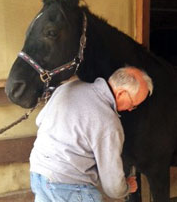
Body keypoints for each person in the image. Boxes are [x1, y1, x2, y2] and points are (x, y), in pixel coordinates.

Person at [30, 66, 153, 202]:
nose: (130, 109)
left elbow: (39, 120)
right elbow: (112, 186)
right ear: (121, 94)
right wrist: (127, 187)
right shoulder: (109, 122)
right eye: (133, 104)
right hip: (71, 186)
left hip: (39, 173)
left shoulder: (68, 87)